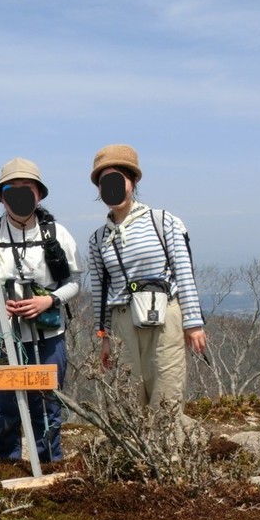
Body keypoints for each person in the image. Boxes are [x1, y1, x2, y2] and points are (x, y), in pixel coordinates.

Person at [0, 157, 82, 463]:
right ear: (2, 196)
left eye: (29, 189)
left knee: (47, 406)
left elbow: (74, 282)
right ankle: (5, 466)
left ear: (39, 194)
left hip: (47, 336)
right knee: (3, 408)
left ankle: (50, 467)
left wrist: (48, 300)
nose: (22, 195)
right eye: (13, 189)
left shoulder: (56, 235)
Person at [87, 144, 206, 410]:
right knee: (127, 398)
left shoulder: (164, 222)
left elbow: (184, 272)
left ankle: (168, 453)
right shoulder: (98, 239)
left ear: (133, 181)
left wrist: (194, 322)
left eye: (118, 179)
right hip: (121, 321)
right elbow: (101, 292)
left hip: (165, 315)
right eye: (105, 182)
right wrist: (104, 337)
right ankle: (132, 453)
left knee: (167, 392)